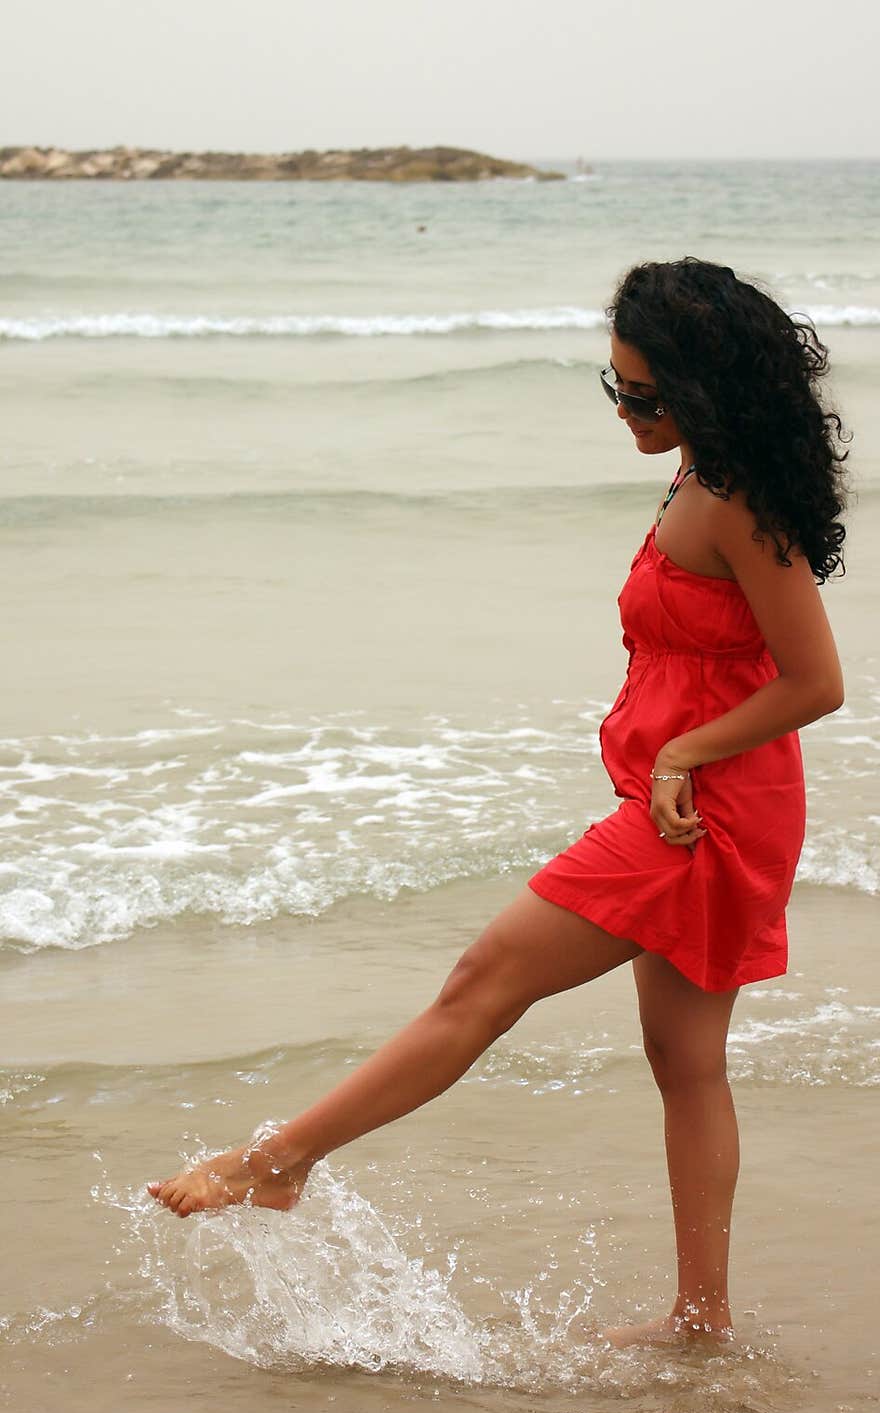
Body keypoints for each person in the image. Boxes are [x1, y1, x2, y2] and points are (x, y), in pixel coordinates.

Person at [149, 257, 849, 1347]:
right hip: (693, 794)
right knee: (685, 1062)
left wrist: (680, 756)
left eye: (644, 395)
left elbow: (818, 682)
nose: (625, 410)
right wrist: (667, 755)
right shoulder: (702, 474)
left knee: (481, 981)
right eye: (613, 389)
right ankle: (701, 1316)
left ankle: (273, 1161)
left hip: (702, 814)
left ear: (704, 389)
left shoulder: (737, 499)